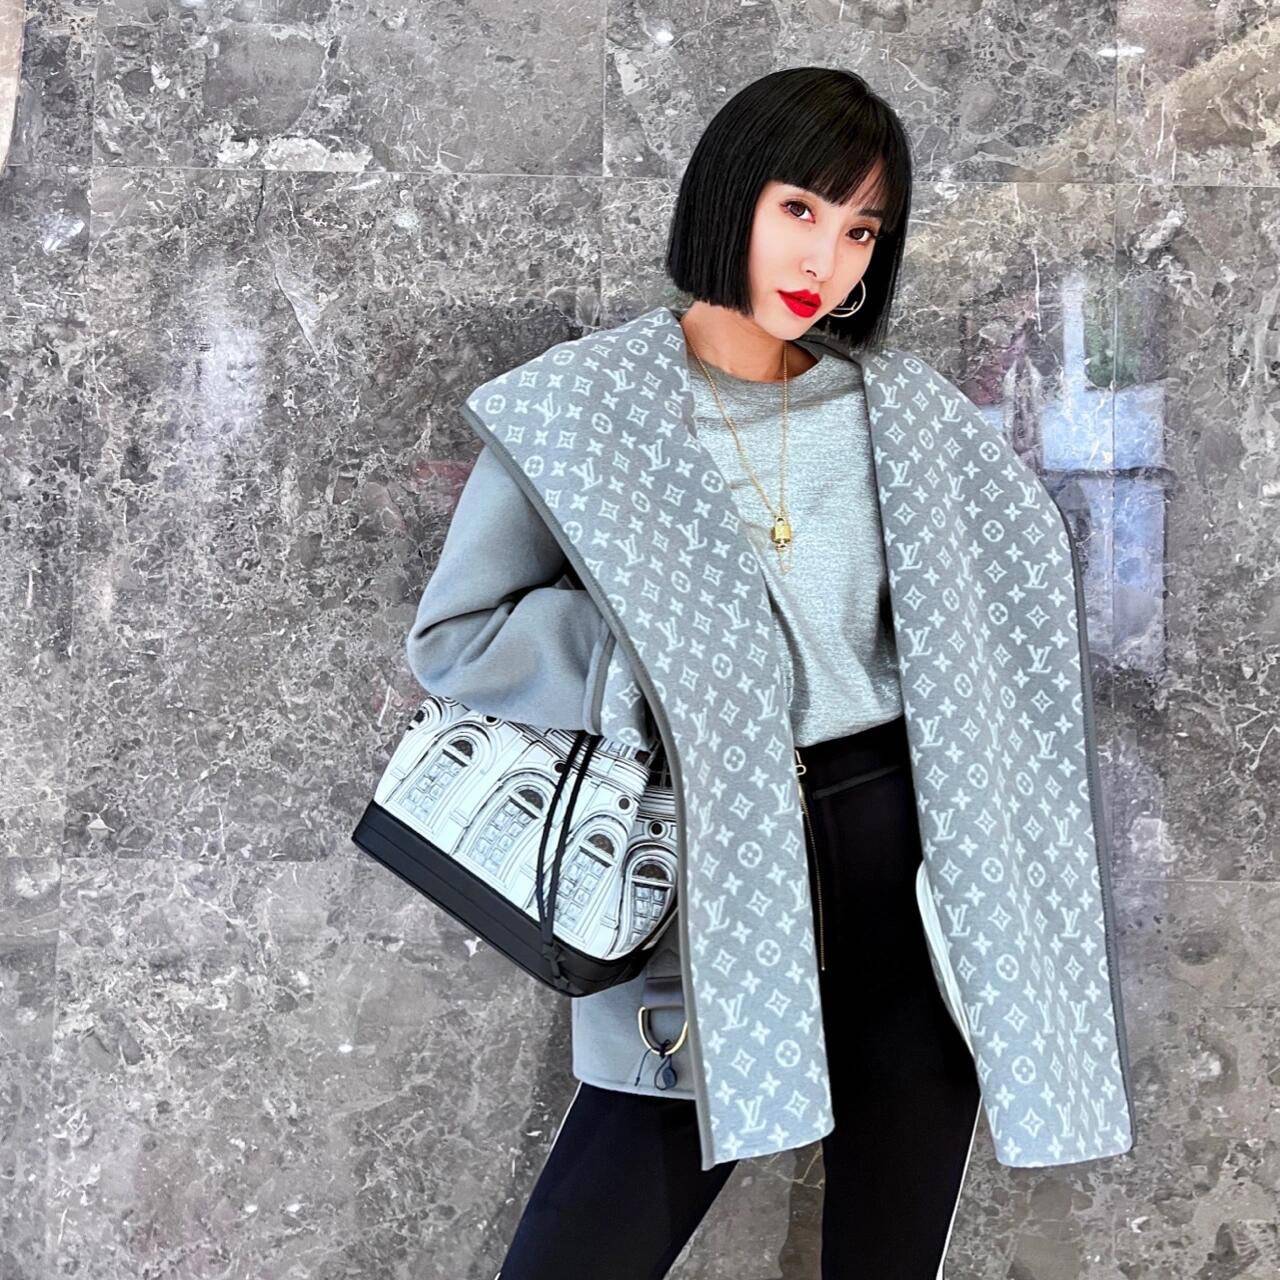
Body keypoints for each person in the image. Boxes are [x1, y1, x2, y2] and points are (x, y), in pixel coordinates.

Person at [411, 67, 993, 1278]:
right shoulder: (582, 407)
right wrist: (653, 664)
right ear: (731, 194)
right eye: (800, 209)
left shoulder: (894, 413)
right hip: (708, 863)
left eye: (860, 230)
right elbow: (457, 634)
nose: (824, 258)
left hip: (904, 869)